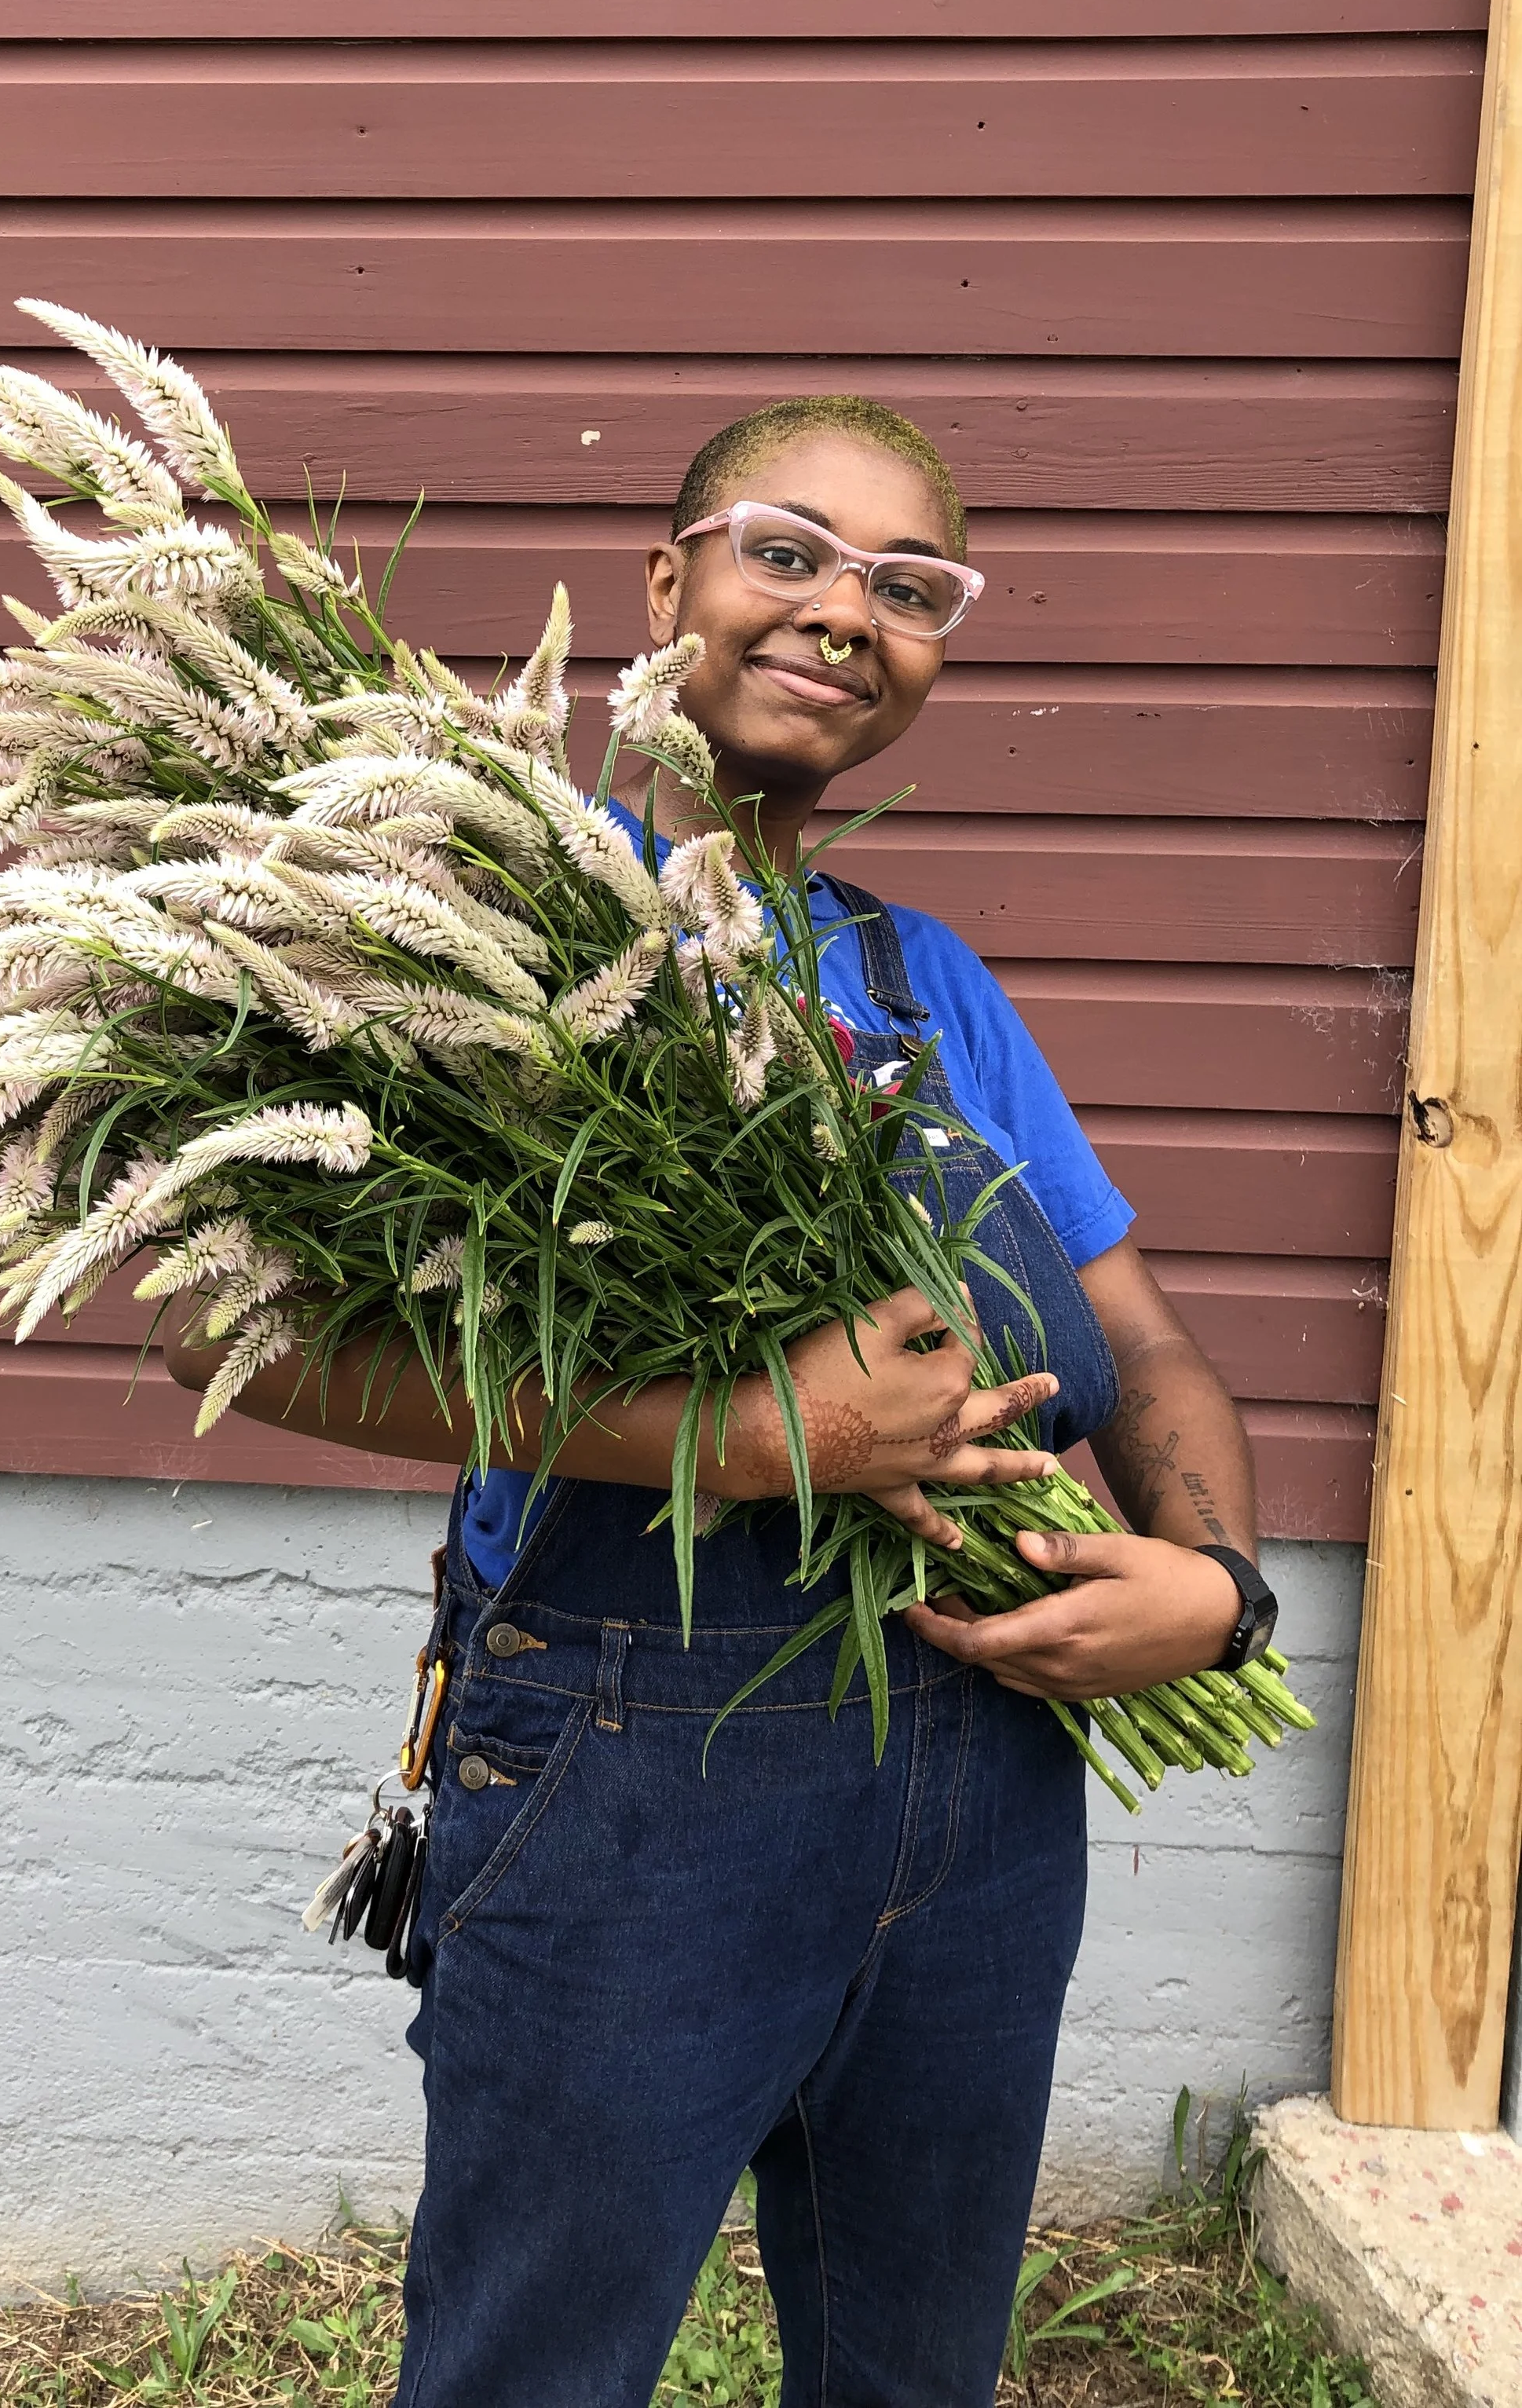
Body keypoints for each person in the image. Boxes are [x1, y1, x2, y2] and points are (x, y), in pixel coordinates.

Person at [167, 397, 1264, 2408]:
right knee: (535, 2372)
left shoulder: (923, 979)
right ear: (662, 583)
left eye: (909, 587)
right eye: (788, 552)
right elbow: (224, 1328)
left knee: (911, 2372)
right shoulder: (464, 916)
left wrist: (1216, 1591)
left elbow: (1153, 1345)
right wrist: (757, 1445)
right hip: (629, 1767)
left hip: (985, 1772)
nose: (845, 612)